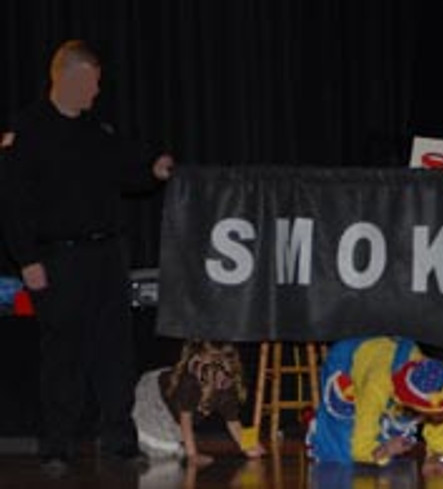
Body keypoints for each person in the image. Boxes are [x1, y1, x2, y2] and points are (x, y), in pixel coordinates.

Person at [0, 39, 174, 475]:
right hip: (58, 258)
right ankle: (57, 446)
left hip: (106, 256)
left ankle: (119, 440)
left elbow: (128, 173)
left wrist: (152, 172)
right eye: (92, 82)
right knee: (64, 356)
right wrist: (27, 260)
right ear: (67, 77)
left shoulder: (98, 132)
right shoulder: (27, 130)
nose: (96, 92)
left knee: (114, 353)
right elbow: (13, 202)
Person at [305, 336, 443, 477]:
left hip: (386, 365)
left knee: (396, 434)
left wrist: (438, 457)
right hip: (348, 360)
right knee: (341, 451)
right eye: (431, 417)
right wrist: (385, 450)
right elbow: (360, 447)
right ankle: (318, 427)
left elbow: (440, 433)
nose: (441, 420)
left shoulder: (440, 387)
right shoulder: (376, 386)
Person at [132, 340, 266, 466]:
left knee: (174, 446)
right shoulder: (189, 384)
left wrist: (250, 445)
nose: (222, 382)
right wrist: (193, 455)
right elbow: (186, 420)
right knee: (164, 452)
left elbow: (234, 422)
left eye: (226, 376)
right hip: (153, 400)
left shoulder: (227, 387)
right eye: (216, 376)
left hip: (173, 413)